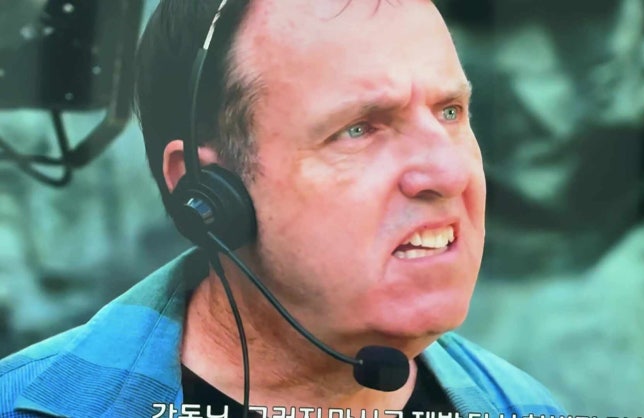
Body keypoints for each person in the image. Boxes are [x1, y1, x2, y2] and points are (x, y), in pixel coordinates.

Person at [0, 0, 567, 417]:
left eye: (450, 113)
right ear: (206, 195)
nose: (448, 173)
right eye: (359, 128)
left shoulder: (526, 407)